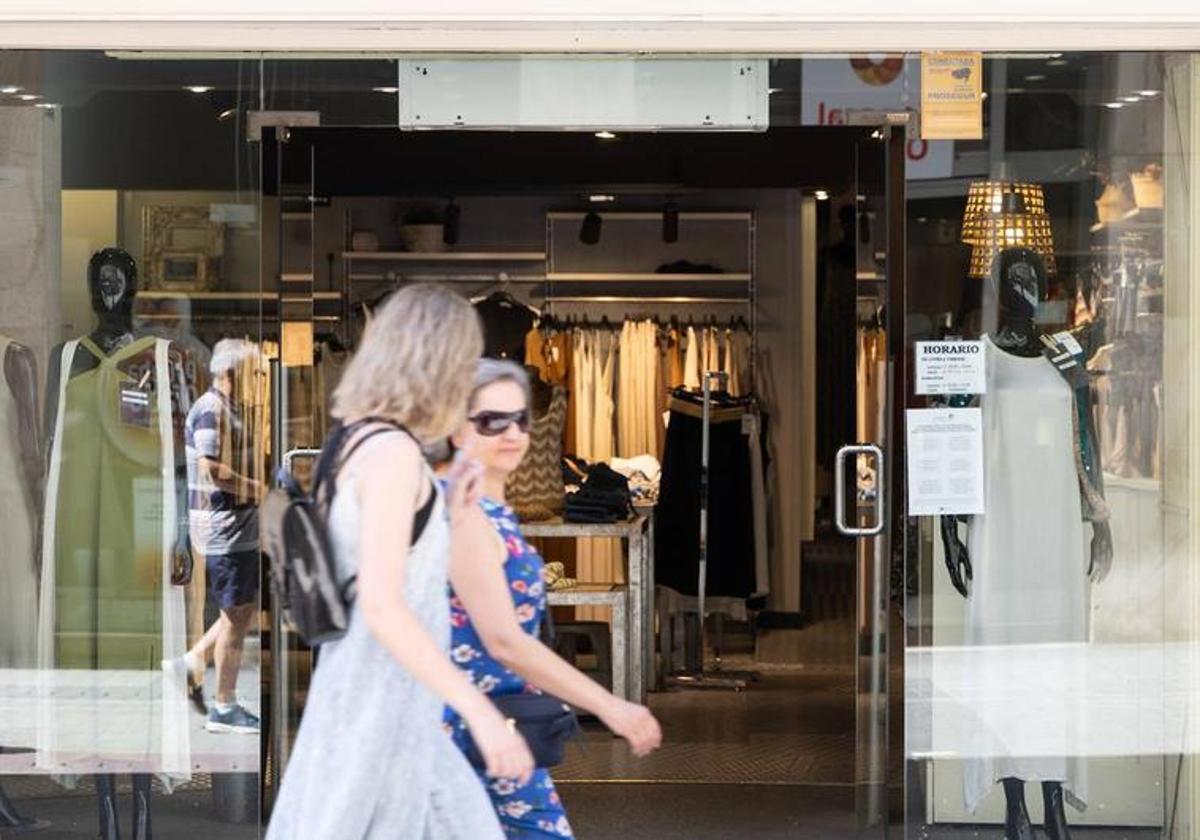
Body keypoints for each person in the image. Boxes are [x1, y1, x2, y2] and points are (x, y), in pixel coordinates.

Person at [265, 285, 529, 840]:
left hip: (384, 708)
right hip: (379, 714)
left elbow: (390, 563)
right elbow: (383, 605)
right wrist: (478, 711)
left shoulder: (354, 441)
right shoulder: (393, 455)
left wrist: (448, 506)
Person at [444, 359, 663, 839]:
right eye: (491, 421)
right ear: (457, 429)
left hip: (498, 725)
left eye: (520, 419)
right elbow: (503, 641)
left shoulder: (487, 506)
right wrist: (610, 706)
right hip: (468, 729)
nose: (512, 433)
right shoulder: (465, 513)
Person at [179, 338, 264, 733]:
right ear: (231, 373)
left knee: (240, 608)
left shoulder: (226, 408)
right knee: (235, 615)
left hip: (236, 526)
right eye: (253, 373)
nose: (258, 380)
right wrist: (258, 488)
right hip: (225, 527)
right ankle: (224, 706)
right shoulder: (212, 409)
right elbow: (211, 467)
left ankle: (193, 661)